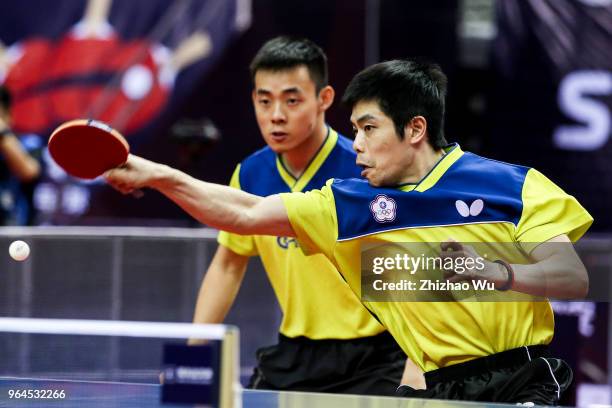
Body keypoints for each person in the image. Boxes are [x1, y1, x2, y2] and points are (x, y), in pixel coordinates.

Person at [104, 59, 593, 404]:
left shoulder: (514, 186)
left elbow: (571, 278)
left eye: (369, 129)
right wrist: (161, 176)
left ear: (415, 129)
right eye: (354, 130)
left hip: (518, 378)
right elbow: (244, 214)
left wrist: (492, 272)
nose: (355, 144)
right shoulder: (349, 203)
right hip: (433, 384)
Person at [189, 37, 408, 394]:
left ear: (324, 99)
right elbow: (228, 264)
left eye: (292, 100)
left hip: (375, 355)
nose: (276, 114)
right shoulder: (250, 175)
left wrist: (417, 362)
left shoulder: (363, 170)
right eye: (265, 101)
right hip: (295, 351)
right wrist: (194, 353)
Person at [0, 85, 42, 225]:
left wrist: (2, 135)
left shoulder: (29, 142)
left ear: (8, 115)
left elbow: (29, 171)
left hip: (18, 235)